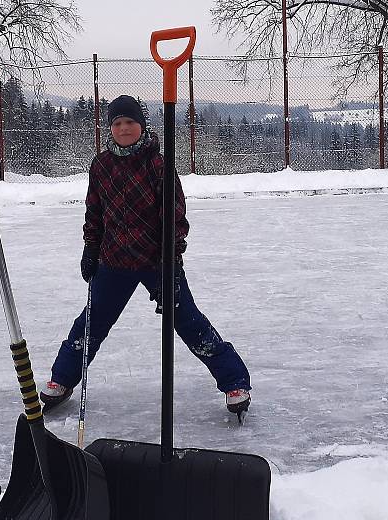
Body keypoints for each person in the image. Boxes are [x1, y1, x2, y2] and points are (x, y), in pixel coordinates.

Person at [40, 95, 251, 416]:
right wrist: (90, 248)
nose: (123, 128)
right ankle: (62, 379)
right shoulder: (101, 166)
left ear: (141, 125)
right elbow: (94, 213)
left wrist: (172, 260)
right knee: (90, 324)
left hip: (158, 262)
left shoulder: (158, 164)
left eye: (130, 122)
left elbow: (175, 217)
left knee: (188, 321)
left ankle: (234, 381)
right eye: (117, 123)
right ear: (110, 128)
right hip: (114, 261)